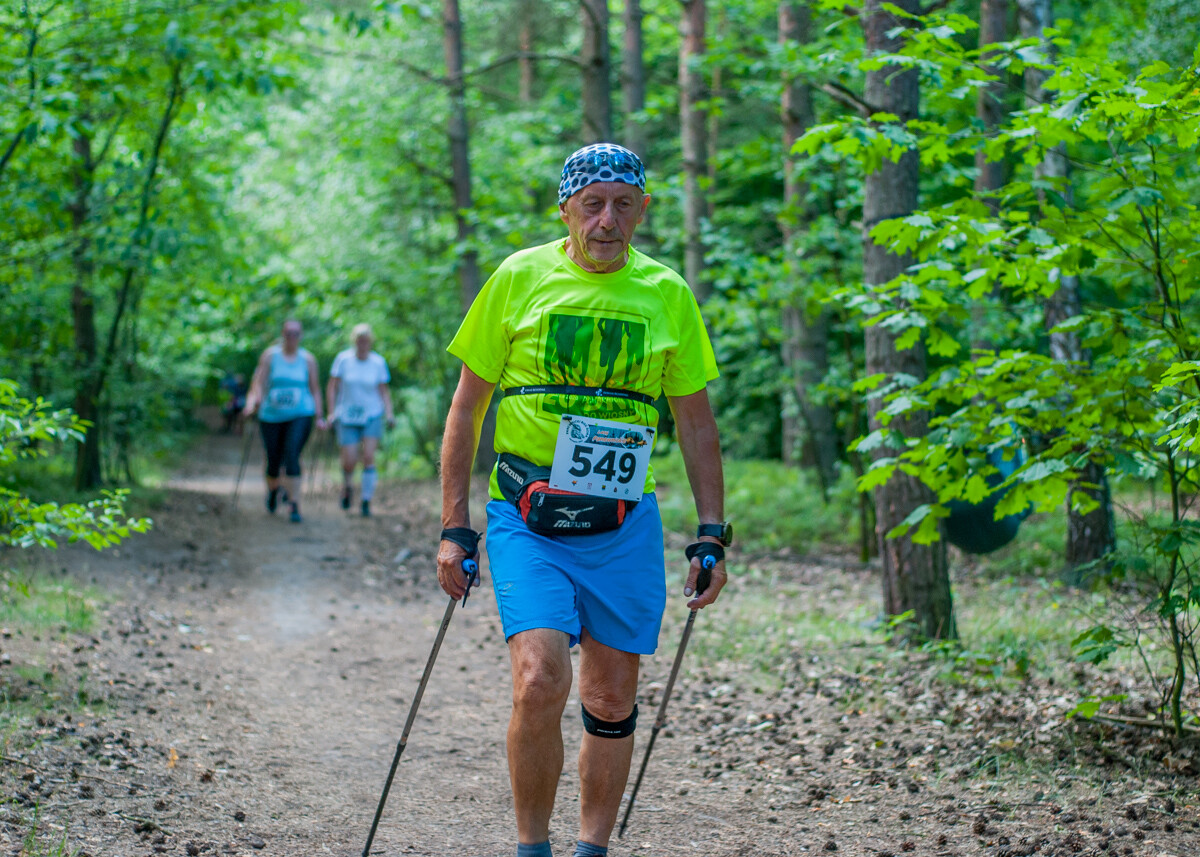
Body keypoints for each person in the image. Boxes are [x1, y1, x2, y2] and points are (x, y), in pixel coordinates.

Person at [437, 143, 731, 857]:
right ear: (565, 208)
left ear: (642, 211)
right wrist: (454, 525)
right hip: (526, 515)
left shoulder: (667, 293)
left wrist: (712, 533)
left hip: (623, 524)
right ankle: (531, 845)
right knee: (540, 675)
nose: (607, 220)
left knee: (610, 694)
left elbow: (694, 421)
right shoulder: (518, 277)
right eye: (592, 204)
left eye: (623, 205)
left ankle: (591, 848)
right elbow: (466, 409)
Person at [243, 319, 326, 523]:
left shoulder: (308, 360)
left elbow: (315, 388)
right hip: (271, 414)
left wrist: (320, 415)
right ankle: (273, 490)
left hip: (301, 413)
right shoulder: (270, 356)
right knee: (273, 459)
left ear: (301, 335)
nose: (292, 337)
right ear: (282, 334)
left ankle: (294, 503)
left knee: (292, 455)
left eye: (296, 333)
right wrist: (252, 402)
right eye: (288, 333)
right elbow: (258, 383)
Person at [326, 323, 395, 517]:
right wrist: (331, 412)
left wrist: (389, 414)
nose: (362, 344)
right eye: (359, 340)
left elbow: (384, 391)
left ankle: (366, 499)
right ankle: (347, 486)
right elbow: (332, 387)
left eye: (365, 340)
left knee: (368, 457)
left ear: (370, 341)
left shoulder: (378, 362)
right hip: (347, 415)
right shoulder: (343, 360)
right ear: (354, 341)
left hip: (372, 414)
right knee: (349, 459)